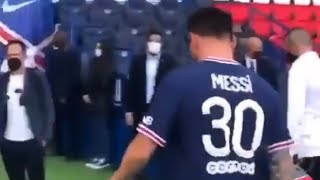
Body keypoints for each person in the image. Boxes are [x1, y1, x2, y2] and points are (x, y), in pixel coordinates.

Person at [110, 7, 294, 180]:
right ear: (233, 41)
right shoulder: (267, 90)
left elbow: (142, 151)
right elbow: (284, 162)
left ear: (194, 40)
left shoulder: (178, 82)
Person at [0, 40, 54, 180]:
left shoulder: (37, 78)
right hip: (8, 144)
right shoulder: (2, 81)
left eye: (16, 54)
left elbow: (48, 108)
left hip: (33, 142)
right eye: (10, 55)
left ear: (23, 55)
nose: (13, 57)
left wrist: (45, 137)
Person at [124, 28, 179, 130]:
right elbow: (131, 86)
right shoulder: (138, 61)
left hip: (161, 109)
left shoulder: (169, 62)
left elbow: (174, 87)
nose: (154, 43)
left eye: (157, 41)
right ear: (147, 42)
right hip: (140, 109)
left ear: (162, 44)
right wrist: (129, 111)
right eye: (152, 41)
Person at [286, 28, 320, 180]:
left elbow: (295, 109)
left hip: (309, 145)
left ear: (291, 46)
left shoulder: (299, 68)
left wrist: (292, 148)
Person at [45, 31, 81, 159]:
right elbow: (75, 76)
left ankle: (59, 149)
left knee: (57, 124)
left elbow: (51, 75)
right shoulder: (73, 55)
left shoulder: (51, 55)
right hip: (70, 94)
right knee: (71, 125)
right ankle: (72, 152)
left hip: (56, 93)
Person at [83, 40, 116, 169]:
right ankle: (97, 155)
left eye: (99, 47)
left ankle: (103, 156)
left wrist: (89, 94)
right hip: (97, 100)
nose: (96, 50)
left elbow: (97, 82)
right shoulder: (95, 63)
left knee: (102, 130)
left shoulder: (108, 66)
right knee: (96, 130)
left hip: (102, 101)